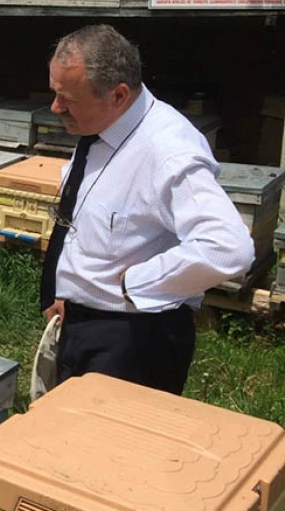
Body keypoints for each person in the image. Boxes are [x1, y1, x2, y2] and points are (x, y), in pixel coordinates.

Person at [41, 24, 253, 395]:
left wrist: (133, 285)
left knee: (115, 450)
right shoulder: (102, 127)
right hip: (84, 323)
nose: (55, 107)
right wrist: (73, 292)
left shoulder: (167, 151)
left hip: (135, 342)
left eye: (67, 99)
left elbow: (228, 247)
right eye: (55, 93)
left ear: (119, 95)